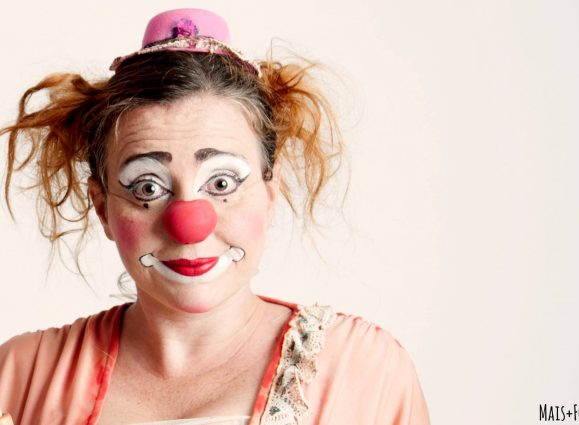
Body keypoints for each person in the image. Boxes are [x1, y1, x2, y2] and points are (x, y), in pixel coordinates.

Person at [0, 9, 429, 425]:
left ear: (270, 190)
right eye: (147, 188)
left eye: (222, 183)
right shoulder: (18, 377)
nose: (189, 225)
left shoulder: (365, 371)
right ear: (102, 208)